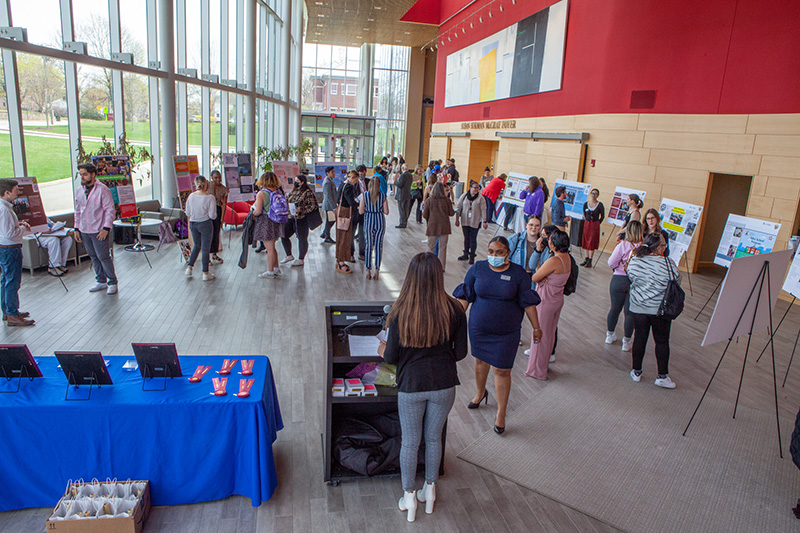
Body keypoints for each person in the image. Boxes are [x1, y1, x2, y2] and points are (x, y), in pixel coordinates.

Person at [378, 252, 467, 522]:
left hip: (411, 386)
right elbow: (461, 353)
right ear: (439, 276)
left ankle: (409, 497)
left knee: (410, 442)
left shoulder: (400, 311)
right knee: (433, 439)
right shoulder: (454, 309)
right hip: (444, 385)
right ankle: (430, 491)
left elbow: (391, 357)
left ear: (410, 278)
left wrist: (383, 349)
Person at [454, 236, 542, 433]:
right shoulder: (478, 269)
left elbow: (528, 303)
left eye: (499, 252)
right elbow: (465, 297)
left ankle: (501, 412)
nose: (494, 255)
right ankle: (480, 393)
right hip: (479, 328)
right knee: (480, 362)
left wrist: (536, 328)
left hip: (507, 333)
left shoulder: (518, 274)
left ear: (508, 253)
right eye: (491, 251)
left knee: (502, 370)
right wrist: (452, 319)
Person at [627, 232, 681, 388]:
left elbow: (631, 276)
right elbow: (677, 279)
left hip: (638, 307)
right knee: (662, 341)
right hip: (661, 309)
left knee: (639, 338)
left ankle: (636, 372)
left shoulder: (635, 260)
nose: (665, 248)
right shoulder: (668, 263)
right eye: (663, 245)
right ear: (658, 249)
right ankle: (662, 376)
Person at [525, 229, 572, 379]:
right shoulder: (567, 258)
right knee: (549, 333)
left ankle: (536, 370)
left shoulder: (554, 260)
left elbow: (535, 276)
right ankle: (542, 365)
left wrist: (540, 271)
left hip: (546, 300)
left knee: (539, 334)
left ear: (553, 244)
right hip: (556, 299)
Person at [74, 162, 118, 295]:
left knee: (103, 256)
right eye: (81, 174)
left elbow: (110, 210)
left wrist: (106, 228)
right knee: (93, 256)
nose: (82, 177)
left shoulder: (102, 189)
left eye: (85, 174)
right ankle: (100, 280)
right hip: (84, 229)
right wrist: (76, 228)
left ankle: (112, 281)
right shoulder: (79, 190)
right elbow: (77, 211)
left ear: (93, 174)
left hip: (99, 229)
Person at [606, 220, 644, 352]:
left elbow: (611, 263)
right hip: (635, 282)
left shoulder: (622, 245)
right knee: (629, 313)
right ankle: (627, 341)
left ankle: (610, 335)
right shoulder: (643, 248)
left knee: (614, 309)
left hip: (619, 279)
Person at [0, 179, 33, 326]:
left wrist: (18, 224)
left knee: (6, 281)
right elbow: (8, 234)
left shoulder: (5, 208)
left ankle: (8, 310)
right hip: (10, 249)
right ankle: (12, 314)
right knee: (12, 282)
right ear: (6, 193)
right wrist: (23, 228)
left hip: (5, 249)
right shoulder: (5, 210)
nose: (18, 192)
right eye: (15, 190)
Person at [253, 171, 286, 279]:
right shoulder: (278, 191)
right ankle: (276, 268)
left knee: (269, 248)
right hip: (276, 220)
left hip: (266, 221)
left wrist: (253, 212)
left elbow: (258, 211)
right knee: (272, 246)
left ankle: (270, 271)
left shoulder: (261, 193)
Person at [280, 174, 318, 268]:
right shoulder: (293, 191)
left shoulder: (307, 193)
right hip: (291, 217)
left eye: (297, 181)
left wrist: (302, 209)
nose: (295, 182)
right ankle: (289, 255)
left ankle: (301, 258)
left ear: (302, 182)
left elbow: (313, 206)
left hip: (302, 219)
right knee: (283, 235)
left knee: (302, 238)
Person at [184, 175, 217, 281]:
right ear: (205, 183)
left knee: (197, 246)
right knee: (205, 248)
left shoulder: (191, 196)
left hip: (193, 223)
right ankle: (205, 273)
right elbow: (212, 215)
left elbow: (187, 212)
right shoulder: (210, 197)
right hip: (205, 224)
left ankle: (189, 267)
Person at [358, 175, 389, 279]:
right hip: (380, 221)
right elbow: (386, 212)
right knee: (378, 246)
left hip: (369, 220)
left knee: (369, 245)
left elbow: (361, 211)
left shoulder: (364, 195)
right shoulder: (383, 196)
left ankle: (368, 270)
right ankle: (377, 269)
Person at [423, 182, 455, 271]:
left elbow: (425, 215)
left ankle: (430, 265)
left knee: (431, 247)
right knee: (443, 247)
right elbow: (451, 213)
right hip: (444, 226)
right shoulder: (447, 200)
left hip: (432, 226)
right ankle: (441, 267)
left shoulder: (429, 200)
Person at [455, 181, 488, 265]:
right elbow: (458, 207)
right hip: (465, 221)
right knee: (466, 238)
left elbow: (484, 210)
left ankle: (472, 256)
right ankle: (465, 254)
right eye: (475, 187)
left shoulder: (481, 198)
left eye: (478, 188)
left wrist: (484, 221)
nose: (477, 189)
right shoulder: (464, 196)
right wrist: (457, 219)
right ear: (470, 188)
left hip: (475, 222)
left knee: (473, 239)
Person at [334, 170, 360, 274]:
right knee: (345, 238)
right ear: (352, 177)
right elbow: (351, 202)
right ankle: (341, 263)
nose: (356, 182)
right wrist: (358, 203)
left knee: (340, 237)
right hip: (345, 213)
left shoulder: (342, 185)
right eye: (356, 179)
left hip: (340, 211)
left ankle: (339, 260)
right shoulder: (349, 187)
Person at [207, 170, 229, 263]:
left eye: (219, 177)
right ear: (212, 177)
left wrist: (222, 218)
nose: (218, 179)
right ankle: (206, 257)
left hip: (217, 210)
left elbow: (224, 204)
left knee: (216, 233)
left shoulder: (224, 189)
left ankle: (214, 254)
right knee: (208, 233)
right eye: (216, 177)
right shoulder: (207, 185)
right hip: (207, 210)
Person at [581, 188, 605, 268]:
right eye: (592, 193)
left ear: (598, 195)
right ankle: (586, 258)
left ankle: (590, 260)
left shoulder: (600, 205)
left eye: (595, 194)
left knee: (591, 241)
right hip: (587, 224)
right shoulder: (586, 204)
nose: (593, 195)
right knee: (586, 240)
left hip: (594, 225)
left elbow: (602, 216)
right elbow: (584, 213)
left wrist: (597, 223)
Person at [320, 166, 337, 244]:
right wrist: (333, 207)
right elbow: (328, 196)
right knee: (331, 220)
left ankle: (325, 233)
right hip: (329, 205)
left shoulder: (330, 181)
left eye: (334, 172)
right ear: (327, 173)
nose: (334, 173)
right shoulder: (327, 182)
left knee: (330, 220)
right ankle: (327, 236)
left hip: (330, 204)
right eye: (332, 172)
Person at [394, 164, 413, 228]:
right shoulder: (410, 175)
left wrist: (395, 181)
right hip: (408, 194)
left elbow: (400, 185)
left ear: (402, 168)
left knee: (401, 209)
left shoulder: (403, 175)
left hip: (401, 195)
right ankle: (405, 222)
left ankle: (402, 223)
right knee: (406, 209)